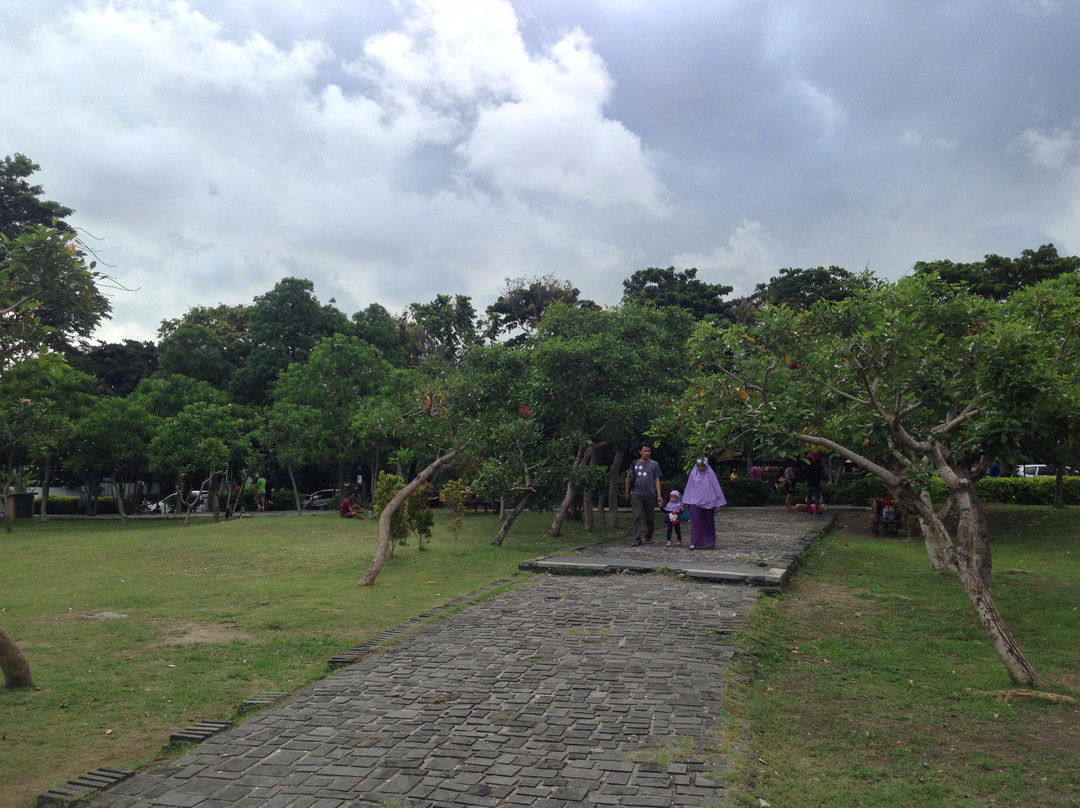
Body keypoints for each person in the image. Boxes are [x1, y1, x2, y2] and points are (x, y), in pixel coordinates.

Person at [683, 458, 727, 549]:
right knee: (696, 522)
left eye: (703, 466)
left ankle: (709, 541)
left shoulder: (710, 474)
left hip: (708, 502)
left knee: (708, 522)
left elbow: (715, 486)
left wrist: (717, 500)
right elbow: (689, 487)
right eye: (699, 466)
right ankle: (694, 542)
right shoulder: (693, 474)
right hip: (695, 501)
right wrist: (685, 500)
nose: (701, 468)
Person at [625, 443, 663, 546]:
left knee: (650, 518)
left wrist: (659, 495)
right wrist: (627, 491)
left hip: (650, 494)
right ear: (640, 452)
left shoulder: (654, 464)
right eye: (645, 451)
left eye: (649, 451)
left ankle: (648, 536)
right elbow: (628, 478)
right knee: (637, 515)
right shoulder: (634, 463)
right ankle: (637, 539)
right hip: (637, 493)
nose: (647, 453)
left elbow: (657, 480)